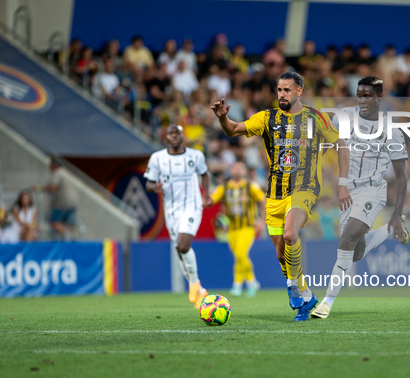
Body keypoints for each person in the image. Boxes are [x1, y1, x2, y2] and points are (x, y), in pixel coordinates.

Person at [211, 71, 352, 321]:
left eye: (287, 90)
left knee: (290, 235)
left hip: (304, 188)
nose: (282, 94)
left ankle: (294, 288)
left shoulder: (313, 117)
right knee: (280, 253)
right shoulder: (267, 118)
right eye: (279, 90)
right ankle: (307, 296)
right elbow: (233, 130)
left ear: (299, 91)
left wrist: (343, 183)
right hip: (275, 194)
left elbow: (341, 144)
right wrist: (223, 118)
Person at [311, 77, 409, 319]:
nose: (362, 100)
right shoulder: (343, 117)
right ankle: (387, 231)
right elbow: (325, 143)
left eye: (368, 95)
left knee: (346, 241)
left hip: (372, 191)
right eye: (359, 95)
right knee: (354, 251)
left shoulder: (392, 131)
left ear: (379, 98)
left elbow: (402, 176)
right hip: (346, 189)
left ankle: (326, 303)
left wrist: (396, 212)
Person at [144, 124, 212, 307]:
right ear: (165, 137)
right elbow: (148, 184)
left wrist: (206, 194)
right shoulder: (157, 158)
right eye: (170, 133)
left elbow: (205, 175)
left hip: (192, 205)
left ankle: (194, 282)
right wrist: (155, 187)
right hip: (171, 210)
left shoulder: (195, 156)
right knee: (179, 251)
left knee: (183, 245)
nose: (174, 136)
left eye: (177, 133)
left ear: (183, 136)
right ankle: (200, 292)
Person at [207, 162, 265, 297]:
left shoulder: (251, 185)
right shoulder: (225, 187)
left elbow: (263, 200)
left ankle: (238, 284)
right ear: (231, 170)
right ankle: (251, 282)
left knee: (240, 253)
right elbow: (212, 199)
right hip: (232, 228)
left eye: (240, 167)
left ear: (244, 171)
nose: (237, 170)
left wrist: (262, 221)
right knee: (238, 256)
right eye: (235, 167)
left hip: (247, 227)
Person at [38, 158, 79, 239]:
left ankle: (69, 234)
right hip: (73, 203)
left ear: (54, 165)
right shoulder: (66, 172)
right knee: (66, 224)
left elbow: (53, 187)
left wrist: (41, 189)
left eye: (50, 166)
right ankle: (68, 236)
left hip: (63, 203)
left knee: (53, 222)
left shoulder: (57, 173)